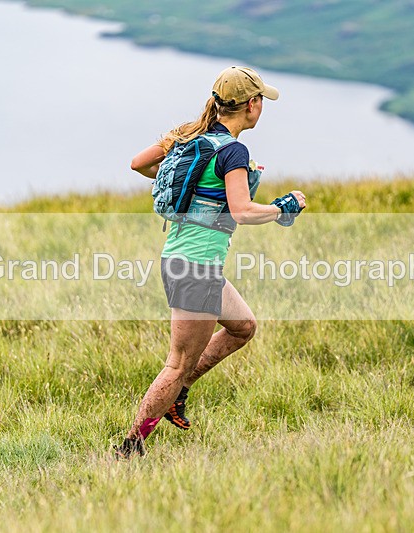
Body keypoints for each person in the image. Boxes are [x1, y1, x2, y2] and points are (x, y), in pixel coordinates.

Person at [115, 66, 306, 458]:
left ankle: (179, 392)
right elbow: (242, 211)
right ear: (251, 105)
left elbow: (138, 164)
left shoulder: (191, 135)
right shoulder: (233, 152)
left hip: (184, 261)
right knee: (176, 364)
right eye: (261, 100)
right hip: (196, 268)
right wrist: (282, 208)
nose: (261, 107)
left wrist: (188, 183)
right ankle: (129, 448)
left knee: (243, 327)